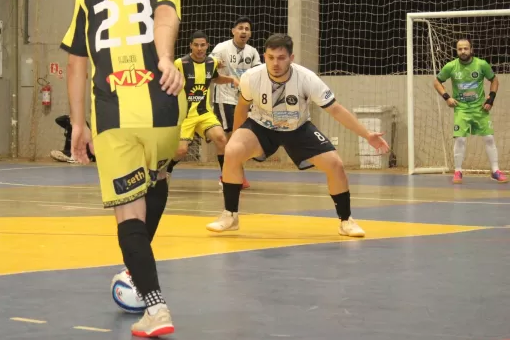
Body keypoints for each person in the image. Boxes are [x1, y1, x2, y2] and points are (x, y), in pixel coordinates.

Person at [60, 0, 185, 338]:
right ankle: (136, 271)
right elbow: (166, 14)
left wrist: (78, 124)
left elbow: (76, 63)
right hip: (165, 107)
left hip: (113, 115)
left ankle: (155, 307)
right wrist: (165, 58)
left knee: (128, 216)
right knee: (159, 180)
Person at [206, 34, 389, 237]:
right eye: (270, 57)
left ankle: (346, 220)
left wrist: (367, 134)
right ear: (264, 56)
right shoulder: (251, 77)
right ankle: (230, 215)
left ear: (291, 58)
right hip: (261, 126)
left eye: (281, 58)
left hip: (298, 129)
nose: (275, 63)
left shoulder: (307, 78)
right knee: (232, 150)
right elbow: (242, 107)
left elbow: (336, 109)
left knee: (335, 164)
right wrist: (237, 137)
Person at [165, 30, 239, 181]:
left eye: (203, 45)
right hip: (185, 116)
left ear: (207, 46)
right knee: (181, 151)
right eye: (196, 45)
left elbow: (216, 79)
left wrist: (232, 80)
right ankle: (167, 169)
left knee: (221, 138)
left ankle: (226, 177)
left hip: (205, 113)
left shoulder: (212, 63)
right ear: (190, 46)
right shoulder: (181, 64)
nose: (200, 48)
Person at [433, 38, 507, 184]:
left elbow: (494, 80)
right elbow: (437, 82)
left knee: (489, 138)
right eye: (460, 49)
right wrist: (447, 97)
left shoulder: (481, 64)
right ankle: (458, 171)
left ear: (471, 49)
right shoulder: (451, 66)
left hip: (480, 108)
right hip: (461, 109)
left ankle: (495, 171)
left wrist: (490, 99)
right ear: (457, 51)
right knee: (460, 139)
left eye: (466, 48)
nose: (463, 51)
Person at [210, 17, 261, 187]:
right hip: (225, 98)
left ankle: (234, 174)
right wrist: (216, 63)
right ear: (233, 31)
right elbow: (209, 69)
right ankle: (227, 176)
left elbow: (257, 74)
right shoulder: (221, 48)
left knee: (243, 139)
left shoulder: (252, 52)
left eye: (247, 28)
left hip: (245, 100)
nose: (244, 31)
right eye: (240, 28)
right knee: (231, 138)